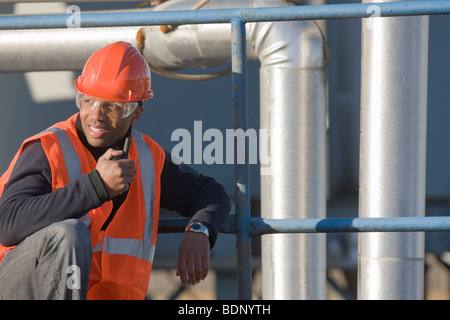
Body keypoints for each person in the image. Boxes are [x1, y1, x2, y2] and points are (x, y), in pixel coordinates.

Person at [0, 41, 231, 300]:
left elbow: (211, 192)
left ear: (135, 114)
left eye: (112, 106)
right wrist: (96, 186)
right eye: (88, 101)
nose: (96, 115)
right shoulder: (48, 148)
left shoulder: (147, 158)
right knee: (68, 233)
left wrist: (200, 231)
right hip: (16, 287)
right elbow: (8, 224)